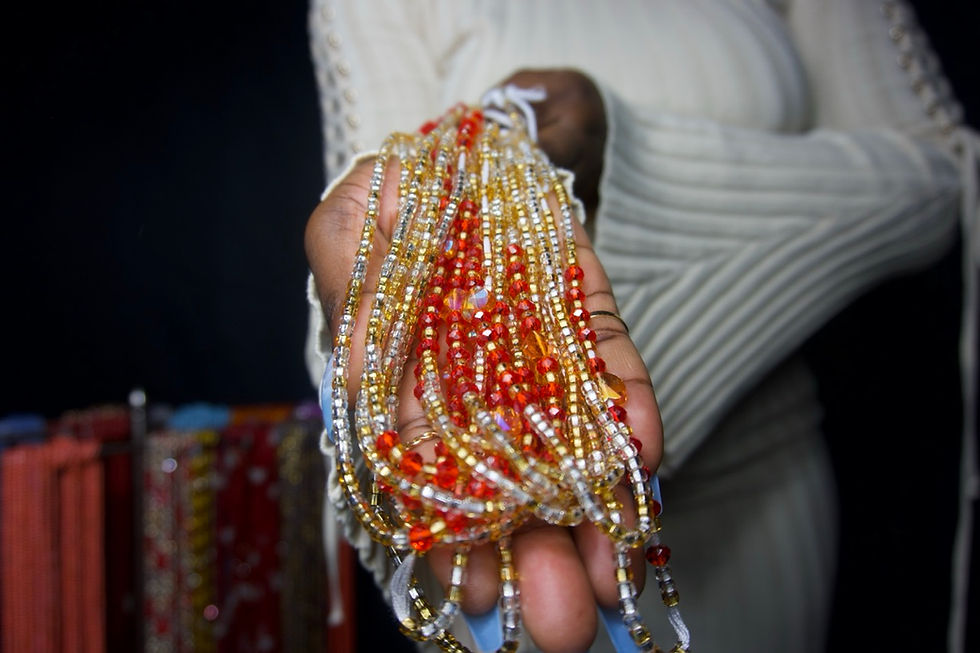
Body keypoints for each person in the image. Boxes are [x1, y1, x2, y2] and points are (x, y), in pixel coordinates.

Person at [303, 1, 976, 651]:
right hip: (506, 538)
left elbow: (940, 179)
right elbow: (372, 261)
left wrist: (628, 155)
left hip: (765, 496)